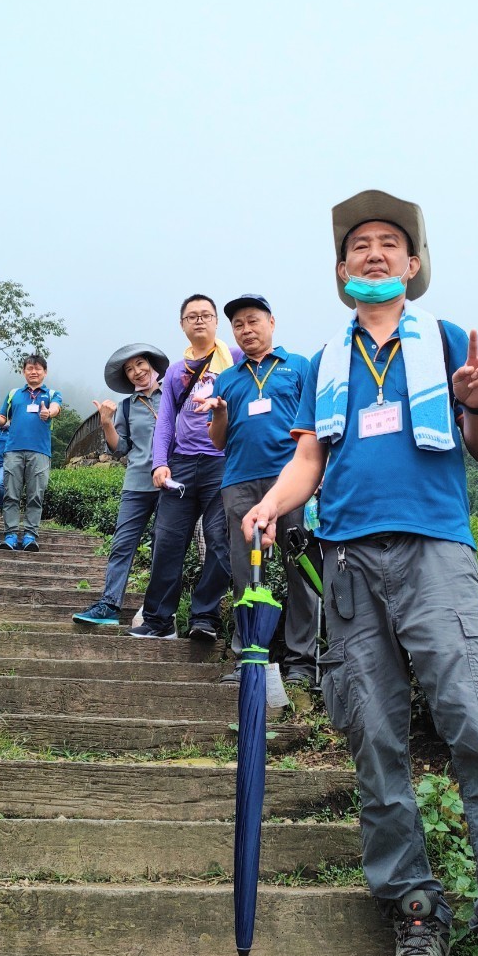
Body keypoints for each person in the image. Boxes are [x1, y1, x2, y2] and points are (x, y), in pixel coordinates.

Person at [243, 190, 478, 956]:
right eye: (358, 247)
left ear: (413, 265)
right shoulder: (320, 359)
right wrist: (269, 504)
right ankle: (414, 914)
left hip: (435, 555)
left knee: (475, 725)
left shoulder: (449, 340)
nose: (373, 254)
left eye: (389, 244)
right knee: (372, 734)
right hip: (346, 562)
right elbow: (310, 456)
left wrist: (477, 406)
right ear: (341, 271)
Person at [196, 294, 318, 686]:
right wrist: (219, 413)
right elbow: (218, 442)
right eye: (238, 325)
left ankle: (302, 662)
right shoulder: (227, 378)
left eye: (253, 321)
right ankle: (249, 656)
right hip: (239, 484)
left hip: (290, 483)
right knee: (246, 572)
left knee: (299, 569)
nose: (246, 330)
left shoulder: (299, 366)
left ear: (272, 322)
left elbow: (315, 430)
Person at [129, 295, 240, 642]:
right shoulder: (177, 371)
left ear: (216, 322)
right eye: (192, 316)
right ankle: (160, 620)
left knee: (221, 542)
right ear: (182, 325)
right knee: (167, 540)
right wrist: (159, 463)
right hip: (180, 464)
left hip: (222, 464)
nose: (200, 321)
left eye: (206, 315)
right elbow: (165, 423)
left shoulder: (235, 361)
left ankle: (204, 617)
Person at [73, 343, 169, 626]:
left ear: (152, 366)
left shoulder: (174, 396)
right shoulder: (127, 406)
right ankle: (109, 605)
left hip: (170, 484)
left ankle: (158, 611)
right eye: (129, 370)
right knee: (122, 545)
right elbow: (120, 448)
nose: (137, 372)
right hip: (136, 484)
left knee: (162, 547)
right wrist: (106, 423)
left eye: (140, 364)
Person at [0, 353, 62, 552]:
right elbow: (2, 420)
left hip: (40, 453)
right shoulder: (14, 394)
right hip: (13, 451)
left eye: (38, 369)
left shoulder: (52, 394)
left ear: (45, 372)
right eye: (29, 369)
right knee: (11, 494)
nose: (33, 372)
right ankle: (10, 535)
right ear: (23, 371)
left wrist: (48, 413)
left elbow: (56, 408)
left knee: (36, 495)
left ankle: (30, 536)